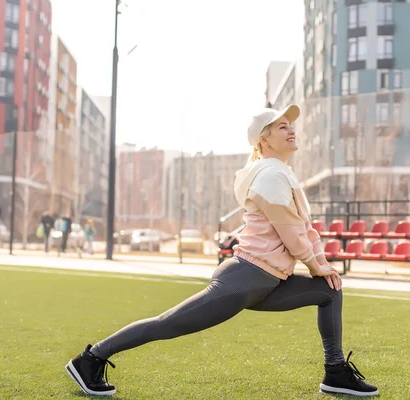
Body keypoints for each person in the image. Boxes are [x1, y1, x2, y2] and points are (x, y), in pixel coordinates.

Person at [65, 105, 379, 397]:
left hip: (267, 281)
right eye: (282, 127)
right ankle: (90, 358)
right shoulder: (270, 175)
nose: (291, 130)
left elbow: (305, 229)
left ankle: (335, 371)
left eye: (291, 125)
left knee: (329, 289)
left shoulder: (282, 173)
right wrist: (313, 264)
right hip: (245, 279)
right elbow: (291, 231)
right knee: (168, 324)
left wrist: (323, 266)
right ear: (264, 139)